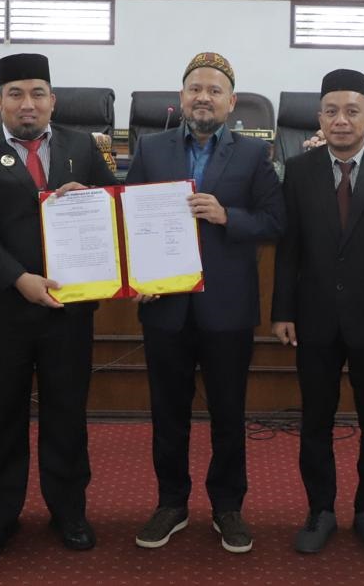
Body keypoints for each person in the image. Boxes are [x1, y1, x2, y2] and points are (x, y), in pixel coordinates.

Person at [0, 53, 118, 557]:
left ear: (53, 100)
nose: (28, 103)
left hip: (70, 310)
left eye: (38, 93)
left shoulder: (83, 146)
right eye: (17, 94)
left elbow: (116, 202)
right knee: (3, 413)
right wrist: (18, 278)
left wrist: (92, 195)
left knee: (67, 412)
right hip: (7, 308)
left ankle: (70, 512)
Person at [127, 51, 284, 554]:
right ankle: (171, 502)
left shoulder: (254, 155)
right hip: (165, 305)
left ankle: (227, 507)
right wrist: (137, 277)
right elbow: (128, 220)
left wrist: (226, 216)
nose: (204, 97)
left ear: (232, 102)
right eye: (196, 88)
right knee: (167, 412)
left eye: (215, 90)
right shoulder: (150, 149)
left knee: (228, 413)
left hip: (227, 308)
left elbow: (275, 222)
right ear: (181, 97)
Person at [271, 69, 364, 557]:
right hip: (314, 319)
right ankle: (320, 510)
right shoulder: (298, 170)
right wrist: (282, 311)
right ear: (319, 117)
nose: (341, 120)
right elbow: (288, 250)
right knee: (315, 421)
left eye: (352, 111)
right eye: (331, 111)